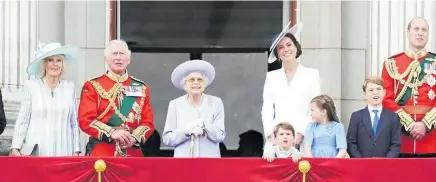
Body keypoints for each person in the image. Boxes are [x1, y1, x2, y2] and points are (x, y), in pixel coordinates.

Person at [78, 39, 155, 157]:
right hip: (102, 151)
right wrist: (112, 133)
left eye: (122, 54)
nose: (118, 58)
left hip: (132, 151)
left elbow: (147, 122)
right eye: (114, 54)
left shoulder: (141, 88)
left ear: (128, 60)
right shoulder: (92, 86)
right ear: (106, 59)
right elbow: (85, 120)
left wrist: (134, 138)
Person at [261, 22, 321, 158]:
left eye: (289, 45)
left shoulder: (312, 74)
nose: (285, 49)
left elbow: (315, 108)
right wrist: (272, 136)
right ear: (278, 54)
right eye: (281, 47)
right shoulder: (272, 77)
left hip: (305, 137)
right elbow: (267, 109)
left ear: (296, 48)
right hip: (277, 138)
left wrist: (300, 132)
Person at [10, 42, 81, 156]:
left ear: (63, 64)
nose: (55, 64)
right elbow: (23, 120)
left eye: (59, 60)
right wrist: (15, 147)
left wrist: (76, 150)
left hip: (63, 150)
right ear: (44, 64)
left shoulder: (69, 88)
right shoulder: (32, 86)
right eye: (50, 60)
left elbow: (73, 122)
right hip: (36, 151)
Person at [381, 17, 436, 157]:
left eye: (424, 30)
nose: (420, 33)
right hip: (401, 139)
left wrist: (426, 124)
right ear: (408, 33)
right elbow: (386, 99)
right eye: (416, 29)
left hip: (432, 140)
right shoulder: (392, 63)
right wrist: (410, 125)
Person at [162, 59, 225, 158]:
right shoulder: (175, 104)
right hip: (183, 163)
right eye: (191, 80)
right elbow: (167, 138)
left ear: (205, 83)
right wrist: (186, 132)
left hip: (210, 163)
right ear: (185, 83)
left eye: (200, 79)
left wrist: (205, 127)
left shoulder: (216, 103)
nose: (196, 83)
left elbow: (220, 135)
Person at [347, 76, 401, 158]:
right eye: (371, 90)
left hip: (385, 166)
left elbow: (395, 144)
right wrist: (360, 162)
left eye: (378, 89)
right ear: (365, 95)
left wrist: (387, 162)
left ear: (384, 92)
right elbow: (351, 143)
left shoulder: (393, 117)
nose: (375, 92)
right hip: (362, 166)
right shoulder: (356, 116)